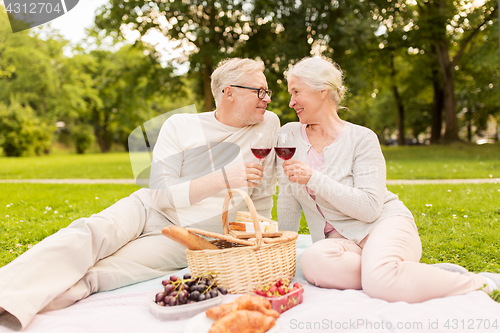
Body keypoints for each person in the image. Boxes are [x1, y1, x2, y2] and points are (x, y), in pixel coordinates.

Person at [0, 58, 280, 330]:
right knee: (89, 233)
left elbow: (263, 193)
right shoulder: (180, 126)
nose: (266, 98)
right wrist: (222, 179)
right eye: (259, 91)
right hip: (148, 208)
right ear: (228, 92)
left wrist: (261, 241)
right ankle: (5, 296)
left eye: (267, 91)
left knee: (103, 273)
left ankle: (13, 316)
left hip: (193, 234)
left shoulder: (268, 125)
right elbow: (159, 194)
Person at [277, 56, 500, 303]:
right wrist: (279, 254)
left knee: (379, 282)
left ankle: (481, 281)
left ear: (322, 91)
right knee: (313, 262)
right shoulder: (288, 135)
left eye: (296, 92)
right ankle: (398, 273)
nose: (291, 102)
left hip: (384, 224)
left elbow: (370, 208)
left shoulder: (363, 139)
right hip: (341, 244)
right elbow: (288, 200)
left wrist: (313, 178)